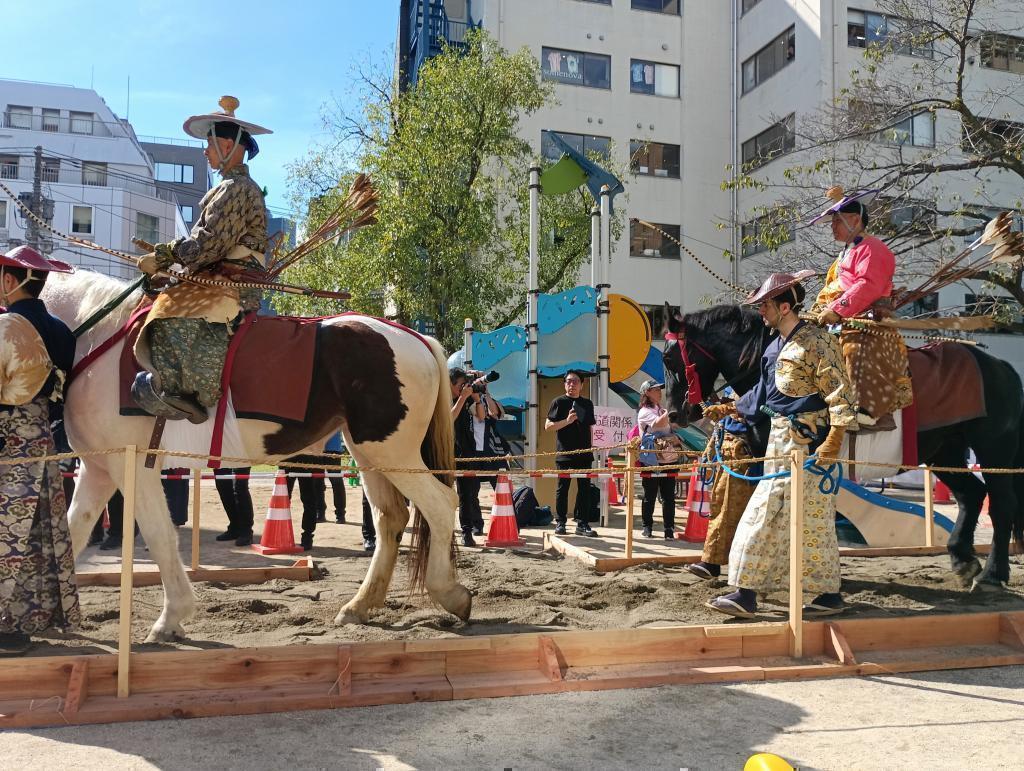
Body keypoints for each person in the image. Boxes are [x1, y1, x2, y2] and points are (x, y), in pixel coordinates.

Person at [706, 271, 856, 620]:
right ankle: (827, 595)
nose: (761, 311)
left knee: (774, 516)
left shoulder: (818, 342)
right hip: (779, 443)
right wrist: (733, 408)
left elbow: (841, 393)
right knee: (804, 523)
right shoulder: (776, 346)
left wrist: (834, 439)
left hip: (809, 446)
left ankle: (747, 593)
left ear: (785, 306)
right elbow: (765, 393)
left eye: (766, 305)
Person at [132, 96, 271, 423]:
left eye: (209, 145)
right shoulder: (230, 187)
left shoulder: (236, 188)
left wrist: (165, 255)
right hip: (220, 275)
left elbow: (209, 243)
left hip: (232, 282)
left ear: (226, 145)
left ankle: (188, 394)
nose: (205, 152)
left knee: (168, 315)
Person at [0, 245, 80, 655]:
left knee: (6, 534)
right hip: (41, 437)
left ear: (10, 282)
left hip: (6, 439)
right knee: (37, 532)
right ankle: (31, 617)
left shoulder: (6, 324)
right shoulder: (63, 332)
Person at [809, 186, 912, 428]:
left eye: (837, 221)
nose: (832, 227)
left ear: (855, 220)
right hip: (840, 317)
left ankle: (871, 409)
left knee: (853, 350)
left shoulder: (874, 248)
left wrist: (837, 309)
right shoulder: (846, 253)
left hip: (866, 319)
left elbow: (869, 285)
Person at [687, 394, 763, 580]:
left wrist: (728, 408)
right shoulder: (734, 391)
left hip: (744, 459)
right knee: (720, 509)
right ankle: (712, 561)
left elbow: (752, 411)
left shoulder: (757, 388)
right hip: (727, 456)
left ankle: (719, 563)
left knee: (734, 514)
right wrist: (709, 451)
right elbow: (721, 425)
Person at [545, 370, 599, 537]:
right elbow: (548, 426)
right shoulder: (558, 402)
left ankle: (582, 524)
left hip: (584, 453)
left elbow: (590, 426)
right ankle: (561, 522)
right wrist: (567, 421)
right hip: (565, 454)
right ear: (564, 384)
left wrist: (595, 446)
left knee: (584, 489)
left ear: (582, 385)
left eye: (575, 381)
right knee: (563, 488)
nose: (571, 384)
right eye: (568, 381)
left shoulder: (587, 403)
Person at [636, 379, 677, 539]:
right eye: (655, 389)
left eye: (660, 389)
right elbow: (660, 423)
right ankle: (647, 527)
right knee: (649, 496)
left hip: (668, 458)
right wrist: (671, 411)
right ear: (646, 392)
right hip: (652, 459)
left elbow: (672, 426)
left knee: (669, 497)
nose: (659, 392)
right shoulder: (645, 411)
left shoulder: (661, 409)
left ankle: (669, 529)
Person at [451, 367, 485, 547]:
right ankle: (445, 531)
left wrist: (477, 399)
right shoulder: (444, 399)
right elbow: (449, 418)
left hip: (468, 450)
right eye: (460, 385)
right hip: (448, 451)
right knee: (445, 493)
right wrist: (463, 397)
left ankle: (467, 532)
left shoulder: (465, 399)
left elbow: (482, 416)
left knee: (468, 494)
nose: (462, 388)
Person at [215, 467, 256, 546]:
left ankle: (246, 531)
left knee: (239, 486)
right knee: (222, 484)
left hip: (242, 456)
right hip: (221, 455)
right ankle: (235, 528)